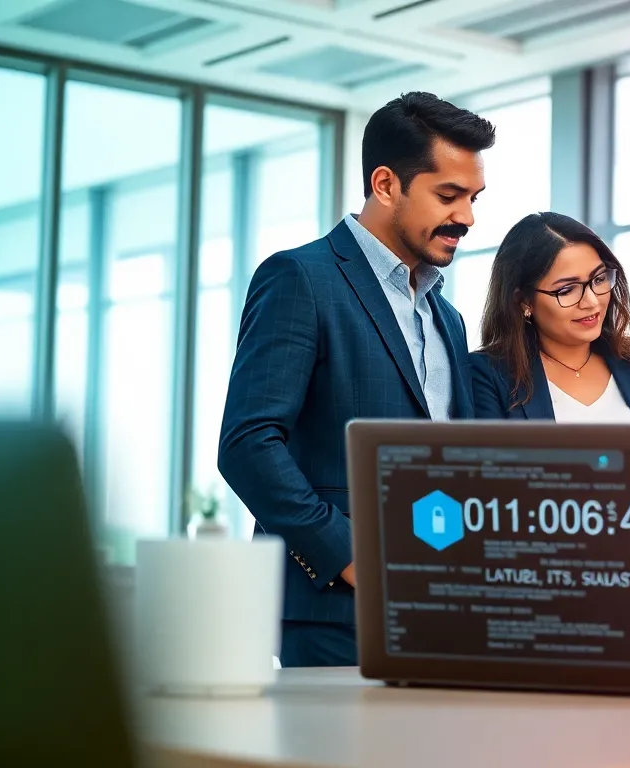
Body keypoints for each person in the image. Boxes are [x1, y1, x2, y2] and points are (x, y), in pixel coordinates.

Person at [217, 92, 494, 667]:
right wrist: (349, 556)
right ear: (386, 184)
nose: (467, 217)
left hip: (439, 607)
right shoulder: (300, 277)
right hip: (332, 611)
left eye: (474, 198)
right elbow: (247, 444)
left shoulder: (447, 317)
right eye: (449, 196)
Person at [469, 212, 630, 421]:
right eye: (567, 290)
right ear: (524, 301)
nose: (591, 301)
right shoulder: (489, 375)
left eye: (599, 279)